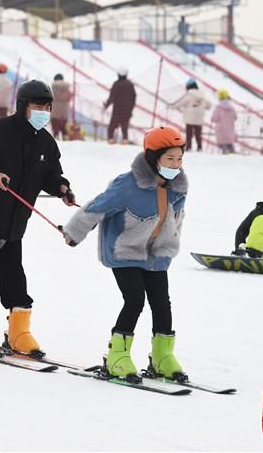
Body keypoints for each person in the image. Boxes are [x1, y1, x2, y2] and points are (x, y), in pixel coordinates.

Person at [62, 126, 189, 382]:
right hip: (125, 251)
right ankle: (117, 357)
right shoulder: (127, 185)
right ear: (154, 159)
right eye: (169, 159)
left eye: (179, 159)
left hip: (156, 255)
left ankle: (163, 357)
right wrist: (74, 232)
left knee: (162, 303)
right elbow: (96, 207)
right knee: (135, 300)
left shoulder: (178, 187)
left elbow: (176, 218)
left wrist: (170, 243)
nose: (175, 165)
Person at [0, 80, 75, 357]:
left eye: (47, 107)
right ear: (23, 106)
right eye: (37, 106)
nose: (43, 111)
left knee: (13, 273)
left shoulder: (46, 141)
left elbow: (50, 173)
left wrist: (61, 187)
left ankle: (19, 331)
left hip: (14, 221)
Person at [169, 79, 210, 151]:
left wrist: (172, 106)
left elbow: (181, 102)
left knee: (189, 134)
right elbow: (209, 105)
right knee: (198, 134)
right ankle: (199, 147)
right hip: (199, 117)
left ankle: (189, 147)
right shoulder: (202, 94)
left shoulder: (189, 94)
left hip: (190, 117)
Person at [104, 67, 137, 144]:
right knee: (124, 127)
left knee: (111, 128)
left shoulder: (116, 84)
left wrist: (106, 105)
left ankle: (111, 140)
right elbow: (134, 97)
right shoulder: (130, 85)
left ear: (118, 75)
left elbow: (111, 97)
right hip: (127, 111)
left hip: (117, 111)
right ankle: (125, 141)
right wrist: (130, 109)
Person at [210, 89, 237, 154]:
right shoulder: (232, 107)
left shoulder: (219, 107)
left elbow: (214, 118)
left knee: (222, 142)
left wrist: (212, 119)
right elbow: (235, 117)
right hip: (230, 128)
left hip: (220, 129)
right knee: (229, 141)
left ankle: (225, 151)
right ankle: (232, 150)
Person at [50, 73, 72, 140]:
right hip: (64, 112)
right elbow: (69, 98)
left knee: (55, 130)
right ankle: (65, 138)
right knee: (64, 129)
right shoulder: (67, 89)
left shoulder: (52, 89)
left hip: (55, 112)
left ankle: (56, 139)